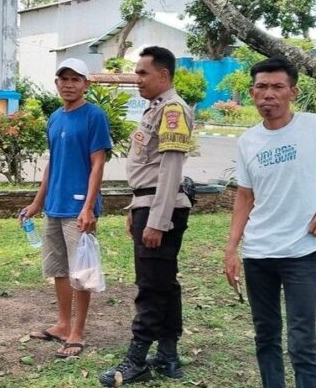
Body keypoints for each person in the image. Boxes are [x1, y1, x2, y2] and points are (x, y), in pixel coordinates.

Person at [224, 56, 316, 388]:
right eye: (261, 87)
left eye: (277, 87)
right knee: (266, 336)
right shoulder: (248, 141)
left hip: (301, 253)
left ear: (292, 91)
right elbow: (244, 196)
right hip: (258, 254)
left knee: (302, 341)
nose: (269, 94)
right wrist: (231, 249)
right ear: (252, 93)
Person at [100, 46, 194, 386]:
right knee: (164, 283)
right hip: (148, 204)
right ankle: (168, 356)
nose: (136, 79)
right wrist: (135, 208)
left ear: (163, 75)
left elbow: (170, 169)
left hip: (160, 210)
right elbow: (148, 168)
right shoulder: (155, 109)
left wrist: (157, 220)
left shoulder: (172, 110)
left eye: (142, 73)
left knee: (151, 286)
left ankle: (137, 360)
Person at [21, 57, 112, 358]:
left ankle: (78, 331)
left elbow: (98, 163)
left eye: (76, 79)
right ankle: (62, 324)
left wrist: (88, 207)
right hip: (54, 207)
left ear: (86, 84)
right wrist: (37, 203)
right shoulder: (55, 117)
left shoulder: (94, 116)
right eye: (64, 79)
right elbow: (52, 164)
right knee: (59, 270)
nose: (69, 84)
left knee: (81, 272)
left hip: (78, 209)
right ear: (57, 83)